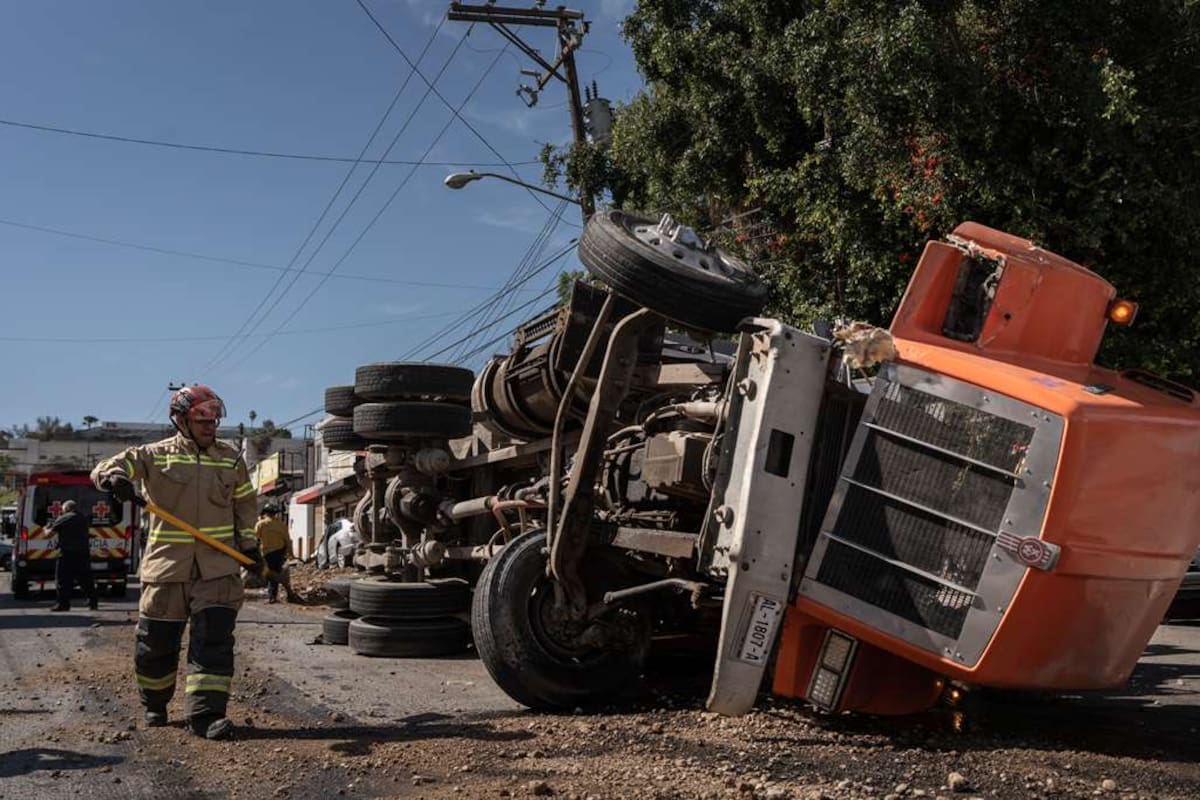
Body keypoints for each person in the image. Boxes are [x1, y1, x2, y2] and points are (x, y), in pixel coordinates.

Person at [91, 384, 263, 741]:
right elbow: (107, 467)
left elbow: (245, 505)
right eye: (202, 420)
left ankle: (206, 715)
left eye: (214, 420)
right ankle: (154, 702)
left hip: (218, 569)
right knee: (156, 645)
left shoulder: (230, 458)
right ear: (181, 420)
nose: (210, 427)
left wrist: (250, 545)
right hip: (167, 570)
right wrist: (116, 478)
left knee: (213, 644)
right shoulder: (154, 455)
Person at [48, 500, 99, 612]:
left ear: (66, 509)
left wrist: (45, 528)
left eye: (63, 510)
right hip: (83, 553)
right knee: (86, 579)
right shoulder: (82, 518)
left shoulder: (63, 518)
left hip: (67, 554)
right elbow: (85, 533)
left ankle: (63, 604)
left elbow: (50, 533)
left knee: (62, 580)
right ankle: (93, 603)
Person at [253, 503, 292, 603]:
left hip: (266, 553)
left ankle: (272, 596)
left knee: (270, 574)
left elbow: (255, 539)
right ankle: (274, 595)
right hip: (279, 553)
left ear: (265, 513)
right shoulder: (281, 524)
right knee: (275, 572)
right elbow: (287, 540)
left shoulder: (261, 524)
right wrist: (290, 553)